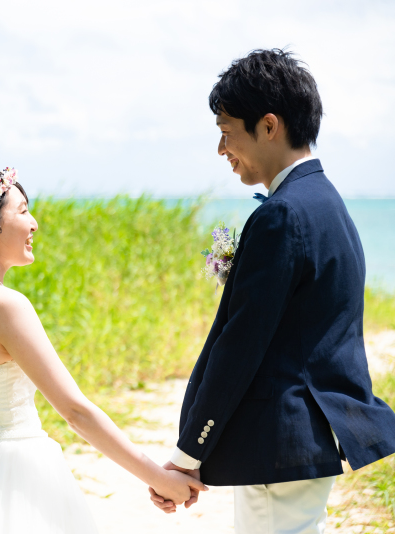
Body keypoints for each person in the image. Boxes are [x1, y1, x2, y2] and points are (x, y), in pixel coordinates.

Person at [0, 158, 206, 533]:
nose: (33, 222)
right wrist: (158, 477)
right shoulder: (3, 305)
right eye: (22, 211)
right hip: (16, 471)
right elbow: (75, 411)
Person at [150, 49, 395, 533]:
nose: (222, 150)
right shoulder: (327, 202)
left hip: (278, 440)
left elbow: (241, 346)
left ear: (268, 125)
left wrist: (190, 451)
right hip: (306, 438)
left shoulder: (281, 214)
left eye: (226, 132)